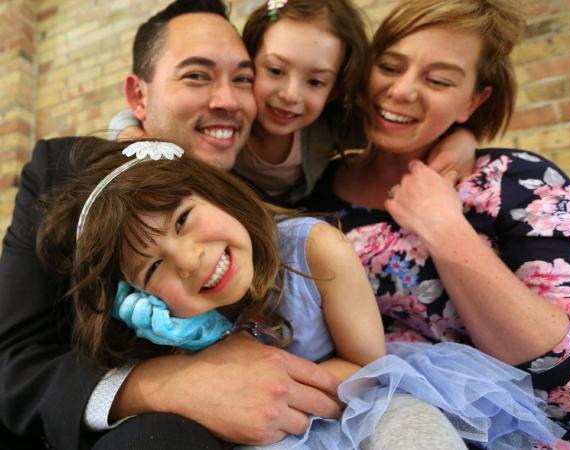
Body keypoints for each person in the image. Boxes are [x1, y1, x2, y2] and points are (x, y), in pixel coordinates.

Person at [38, 139, 563, 449]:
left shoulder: (316, 249)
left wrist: (277, 389)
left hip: (361, 398)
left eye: (183, 219)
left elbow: (367, 364)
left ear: (216, 194)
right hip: (264, 436)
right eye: (154, 268)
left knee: (413, 427)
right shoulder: (174, 326)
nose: (190, 259)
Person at [0, 1, 343, 449]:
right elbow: (15, 361)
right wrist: (172, 384)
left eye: (243, 79)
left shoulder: (272, 190)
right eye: (197, 76)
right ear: (139, 96)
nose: (227, 101)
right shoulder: (62, 173)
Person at [305, 0, 570, 448]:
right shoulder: (310, 198)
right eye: (389, 66)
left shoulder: (519, 183)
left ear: (473, 101)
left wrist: (445, 229)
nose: (402, 90)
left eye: (438, 80)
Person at [111, 0, 479, 206]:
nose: (290, 94)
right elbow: (139, 113)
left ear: (334, 90)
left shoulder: (331, 127)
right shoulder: (227, 122)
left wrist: (463, 139)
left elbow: (395, 129)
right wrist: (128, 134)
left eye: (315, 81)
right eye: (274, 70)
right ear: (249, 60)